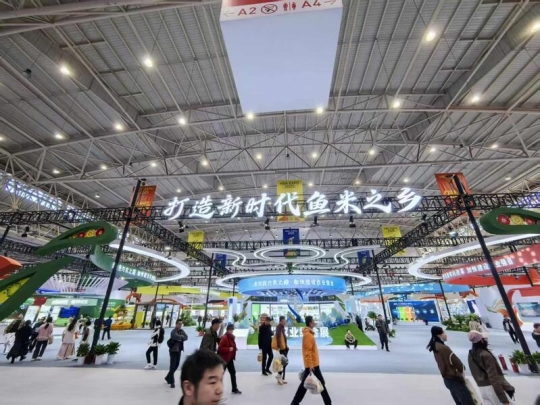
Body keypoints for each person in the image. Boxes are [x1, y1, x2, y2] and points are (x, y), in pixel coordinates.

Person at [427, 326, 474, 405]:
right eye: (444, 333)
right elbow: (456, 362)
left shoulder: (435, 346)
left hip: (447, 378)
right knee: (467, 400)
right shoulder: (444, 348)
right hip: (454, 378)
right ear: (439, 335)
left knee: (459, 401)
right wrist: (462, 370)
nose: (446, 334)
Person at [291, 316, 332, 405]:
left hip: (313, 364)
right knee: (318, 383)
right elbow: (308, 351)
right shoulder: (308, 335)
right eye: (313, 321)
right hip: (312, 365)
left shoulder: (309, 334)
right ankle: (328, 403)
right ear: (310, 323)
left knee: (306, 385)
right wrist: (310, 365)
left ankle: (295, 402)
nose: (314, 323)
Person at [468, 330, 515, 405]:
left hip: (481, 387)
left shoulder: (471, 354)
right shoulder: (486, 355)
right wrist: (503, 399)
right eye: (484, 339)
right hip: (491, 387)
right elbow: (494, 378)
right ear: (482, 341)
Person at [217, 324, 242, 395]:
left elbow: (232, 346)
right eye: (230, 329)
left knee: (233, 373)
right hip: (224, 359)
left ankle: (234, 388)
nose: (231, 331)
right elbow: (220, 349)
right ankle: (218, 389)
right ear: (227, 330)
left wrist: (234, 348)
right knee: (221, 375)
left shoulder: (231, 337)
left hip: (229, 358)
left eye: (232, 329)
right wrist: (228, 349)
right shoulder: (224, 337)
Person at [165, 320, 188, 388]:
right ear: (176, 324)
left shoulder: (182, 331)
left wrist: (180, 338)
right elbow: (175, 336)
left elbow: (186, 337)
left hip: (179, 350)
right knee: (172, 366)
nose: (180, 325)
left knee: (177, 365)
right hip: (173, 350)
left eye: (181, 324)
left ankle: (168, 377)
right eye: (179, 324)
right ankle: (172, 382)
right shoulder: (173, 331)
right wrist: (181, 337)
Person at [272, 315, 289, 385]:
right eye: (284, 320)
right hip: (281, 348)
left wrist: (286, 346)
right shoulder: (279, 327)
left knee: (283, 362)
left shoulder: (282, 327)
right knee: (283, 362)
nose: (285, 322)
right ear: (281, 321)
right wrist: (278, 347)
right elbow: (278, 337)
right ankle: (279, 376)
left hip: (284, 347)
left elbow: (283, 338)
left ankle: (281, 378)